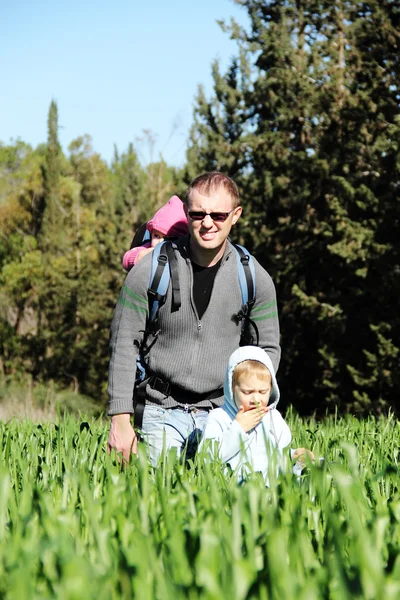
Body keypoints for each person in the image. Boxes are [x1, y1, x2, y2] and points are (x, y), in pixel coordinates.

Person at [107, 171, 281, 464]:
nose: (208, 222)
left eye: (218, 215)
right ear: (187, 213)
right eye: (198, 214)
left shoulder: (254, 278)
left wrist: (254, 408)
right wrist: (120, 419)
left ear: (235, 215)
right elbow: (124, 343)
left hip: (225, 415)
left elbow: (268, 350)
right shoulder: (150, 270)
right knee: (161, 496)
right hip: (159, 411)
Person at [199, 346, 314, 484]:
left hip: (271, 486)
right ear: (231, 389)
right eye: (247, 392)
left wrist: (293, 455)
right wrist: (238, 428)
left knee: (316, 467)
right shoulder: (219, 418)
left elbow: (276, 453)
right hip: (237, 486)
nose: (256, 399)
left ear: (271, 390)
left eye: (262, 392)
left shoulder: (272, 417)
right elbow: (206, 459)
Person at [122, 195, 188, 271]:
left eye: (168, 238)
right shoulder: (149, 248)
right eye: (156, 236)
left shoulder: (184, 254)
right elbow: (127, 259)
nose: (160, 242)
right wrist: (143, 255)